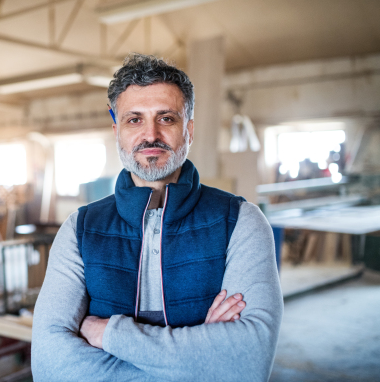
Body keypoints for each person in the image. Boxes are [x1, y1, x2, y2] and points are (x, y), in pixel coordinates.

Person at [31, 53, 283, 381]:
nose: (150, 135)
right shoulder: (80, 229)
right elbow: (51, 367)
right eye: (134, 119)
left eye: (166, 118)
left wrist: (107, 334)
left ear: (188, 130)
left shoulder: (240, 222)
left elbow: (246, 365)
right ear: (116, 130)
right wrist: (202, 361)